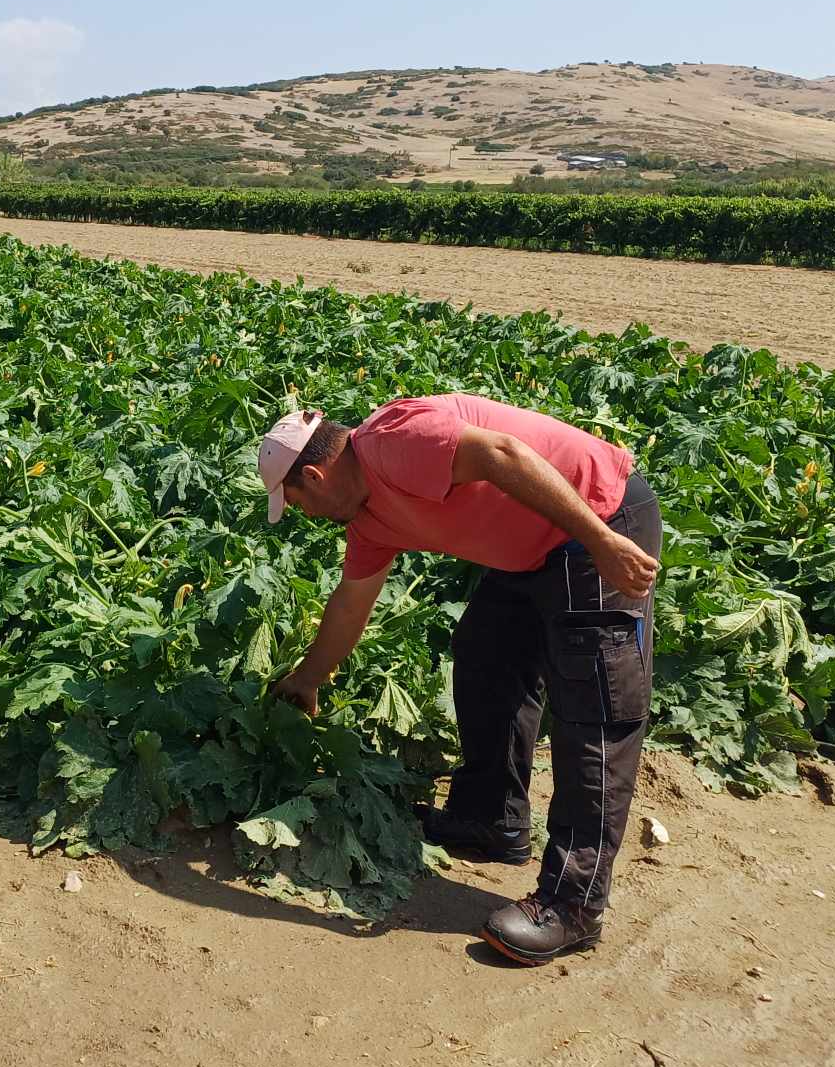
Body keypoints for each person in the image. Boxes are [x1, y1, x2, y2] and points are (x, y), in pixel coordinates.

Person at [257, 396, 661, 965]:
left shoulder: (393, 441)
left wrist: (600, 540)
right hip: (532, 551)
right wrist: (308, 678)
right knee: (485, 651)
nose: (304, 515)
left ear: (318, 476)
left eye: (296, 502)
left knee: (595, 709)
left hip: (598, 519)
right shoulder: (370, 519)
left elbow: (502, 453)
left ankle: (574, 905)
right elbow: (351, 603)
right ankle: (491, 820)